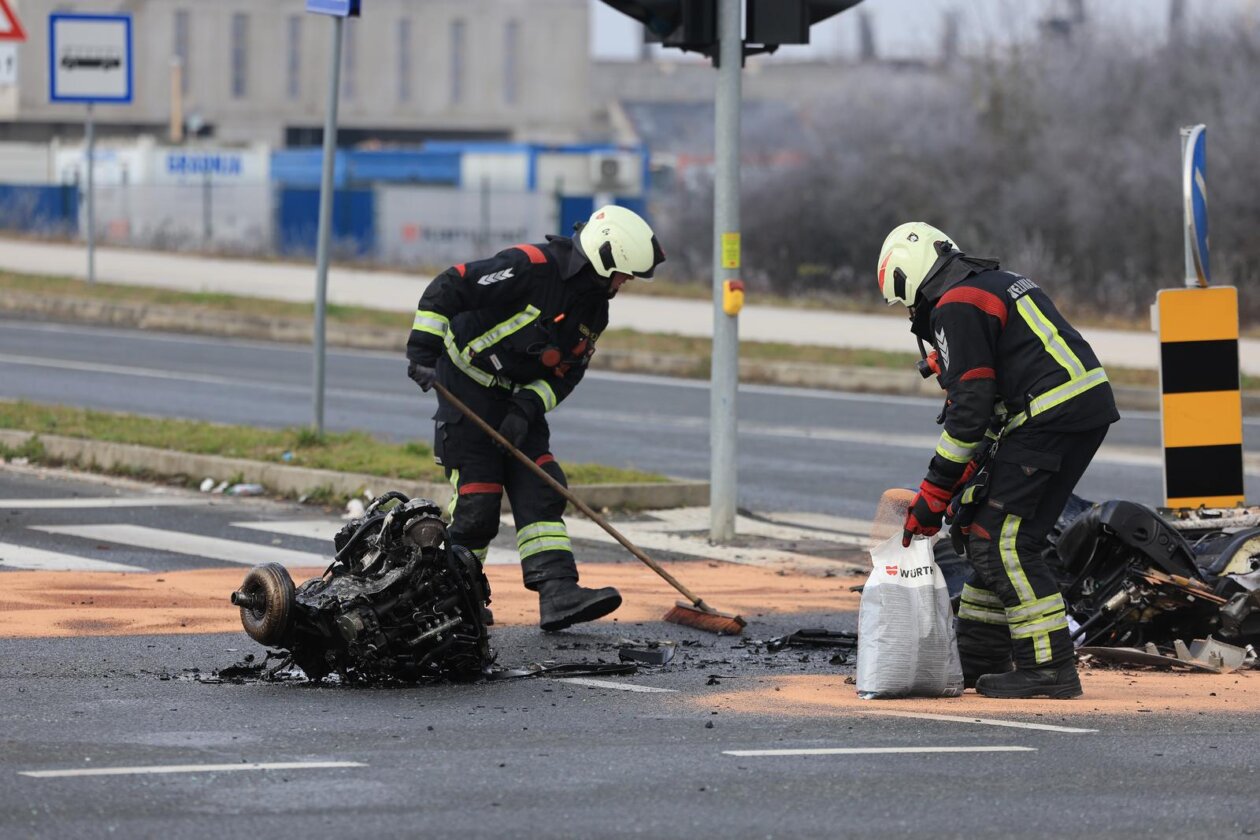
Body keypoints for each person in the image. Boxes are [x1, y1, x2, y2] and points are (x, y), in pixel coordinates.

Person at [876, 222, 1119, 699]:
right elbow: (990, 411)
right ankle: (981, 659)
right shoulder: (992, 282)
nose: (913, 314)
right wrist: (953, 493)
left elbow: (970, 414)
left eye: (907, 304)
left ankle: (1048, 669)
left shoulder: (955, 305)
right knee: (979, 528)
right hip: (1072, 410)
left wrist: (932, 496)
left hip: (1051, 415)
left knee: (1001, 540)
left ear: (909, 277)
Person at [405, 206, 665, 631]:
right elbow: (448, 286)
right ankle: (448, 599)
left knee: (543, 486)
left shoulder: (594, 310)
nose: (625, 283)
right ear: (604, 257)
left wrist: (527, 408)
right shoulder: (528, 267)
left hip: (514, 404)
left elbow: (569, 373)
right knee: (478, 505)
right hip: (465, 389)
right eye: (624, 274)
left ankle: (558, 593)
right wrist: (422, 352)